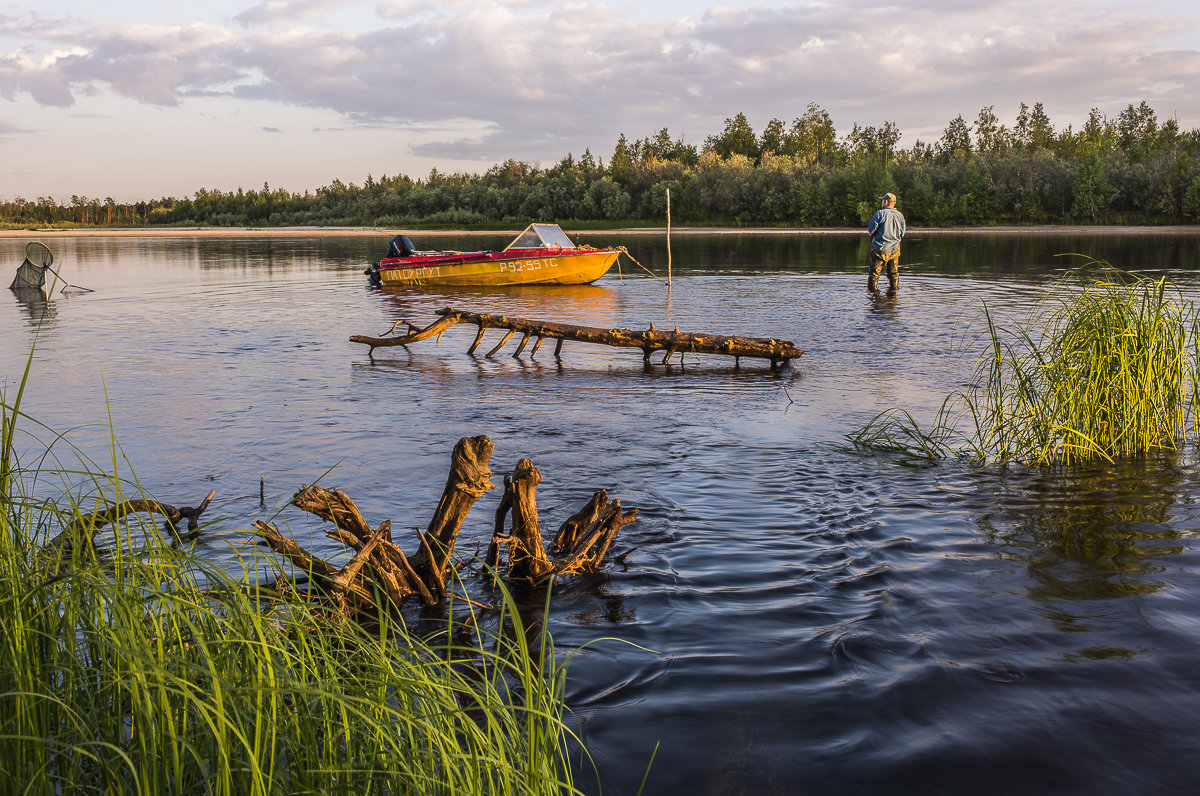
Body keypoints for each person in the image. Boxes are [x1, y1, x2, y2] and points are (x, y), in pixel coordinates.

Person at [866, 192, 905, 292]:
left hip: (879, 249)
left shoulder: (879, 213)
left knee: (874, 274)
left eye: (882, 201)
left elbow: (871, 230)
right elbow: (902, 233)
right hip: (894, 249)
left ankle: (873, 294)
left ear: (886, 202)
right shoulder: (900, 215)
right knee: (894, 274)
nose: (881, 203)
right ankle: (893, 294)